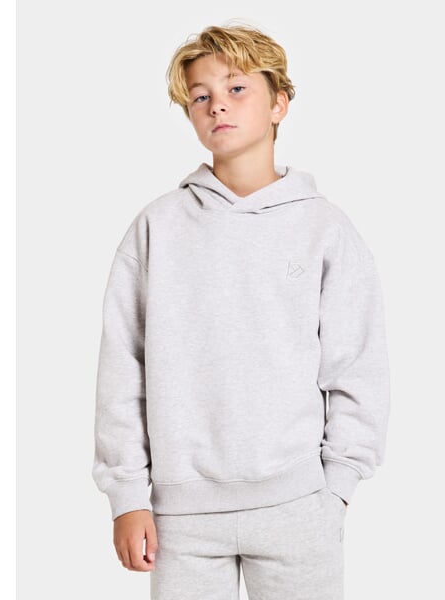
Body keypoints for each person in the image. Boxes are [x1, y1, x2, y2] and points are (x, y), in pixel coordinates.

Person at [92, 23, 391, 599]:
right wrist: (127, 497)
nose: (217, 106)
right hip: (180, 518)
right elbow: (122, 368)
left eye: (236, 89)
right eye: (200, 96)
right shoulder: (158, 227)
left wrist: (338, 486)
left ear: (279, 104)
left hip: (298, 505)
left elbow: (357, 365)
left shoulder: (324, 228)